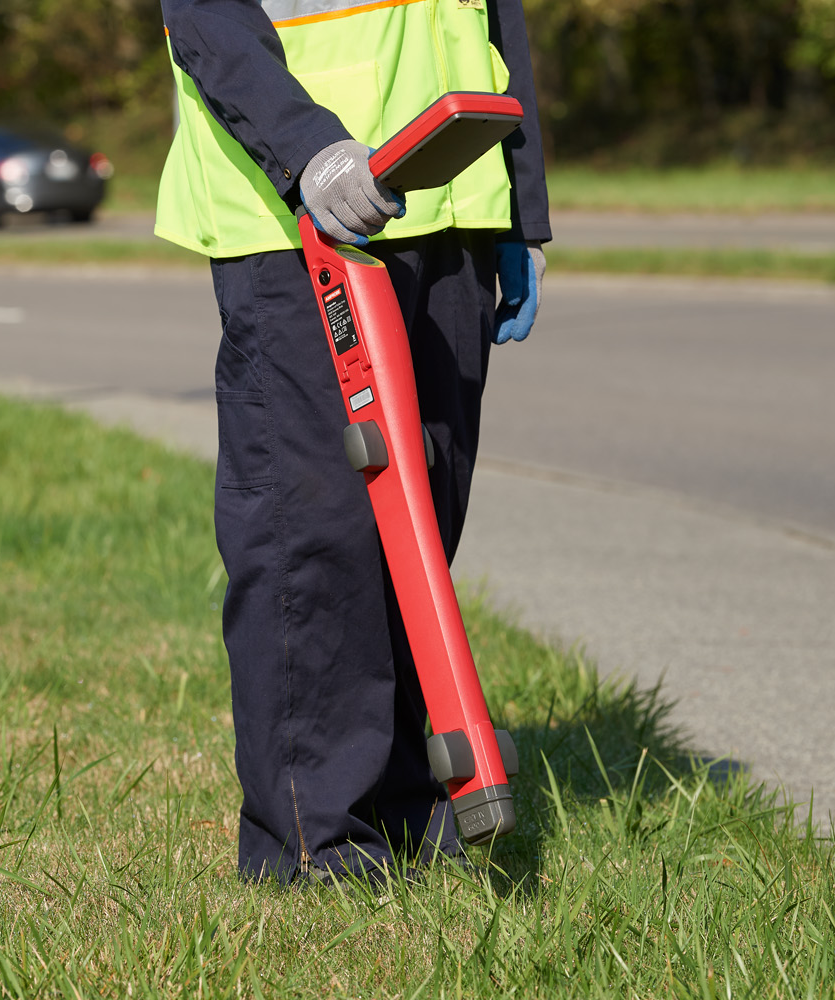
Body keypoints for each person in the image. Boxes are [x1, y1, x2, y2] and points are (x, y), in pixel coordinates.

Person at [155, 0, 552, 883]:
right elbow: (204, 15)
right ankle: (313, 842)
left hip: (448, 201)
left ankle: (405, 805)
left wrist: (518, 210)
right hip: (300, 209)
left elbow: (493, 20)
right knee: (317, 531)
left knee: (425, 516)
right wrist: (309, 149)